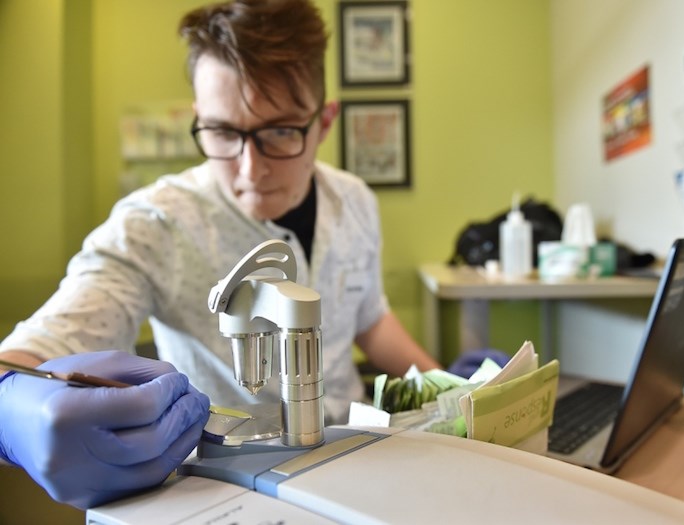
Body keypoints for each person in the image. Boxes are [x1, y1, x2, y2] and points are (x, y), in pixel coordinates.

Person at [0, 0, 440, 510]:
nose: (251, 171)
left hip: (355, 465)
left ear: (323, 122)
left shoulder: (355, 202)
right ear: (199, 119)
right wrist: (11, 416)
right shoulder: (153, 224)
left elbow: (371, 319)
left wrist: (455, 391)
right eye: (225, 132)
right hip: (220, 486)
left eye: (280, 131)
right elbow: (32, 351)